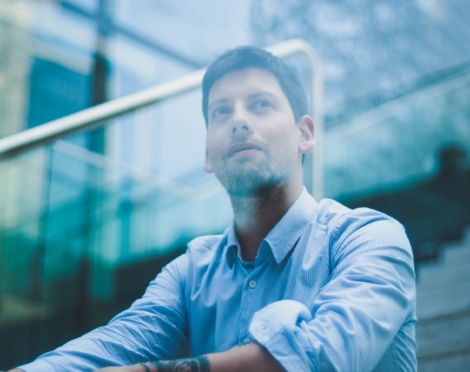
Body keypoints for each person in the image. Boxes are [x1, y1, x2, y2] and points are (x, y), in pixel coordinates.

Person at [10, 46, 417, 372]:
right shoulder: (191, 271)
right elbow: (116, 345)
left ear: (305, 134)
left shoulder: (370, 238)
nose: (239, 121)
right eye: (221, 111)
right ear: (208, 154)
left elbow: (321, 356)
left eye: (260, 105)